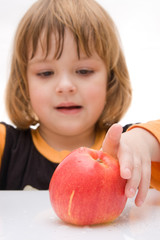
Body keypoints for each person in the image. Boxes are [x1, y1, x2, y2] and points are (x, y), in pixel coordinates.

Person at [0, 0, 160, 207]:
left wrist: (146, 142)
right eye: (46, 73)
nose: (65, 86)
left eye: (84, 71)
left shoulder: (126, 150)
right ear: (24, 85)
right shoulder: (7, 149)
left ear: (110, 79)